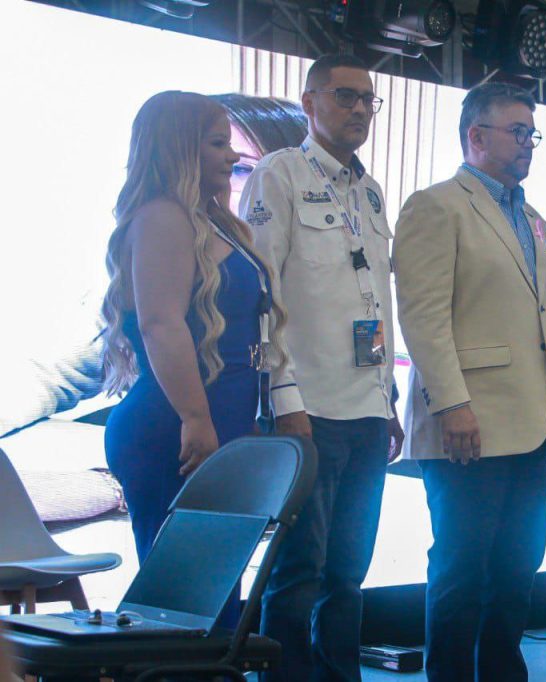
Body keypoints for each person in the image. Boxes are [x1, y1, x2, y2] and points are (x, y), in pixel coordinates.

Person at [393, 82, 546, 682]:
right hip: (468, 420)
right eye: (517, 131)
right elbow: (423, 316)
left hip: (532, 422)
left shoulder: (531, 217)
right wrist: (451, 404)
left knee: (518, 566)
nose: (528, 143)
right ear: (476, 136)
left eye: (532, 133)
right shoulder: (436, 205)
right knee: (462, 569)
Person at [240, 54, 404, 682]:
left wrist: (388, 399)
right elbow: (262, 295)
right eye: (344, 96)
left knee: (348, 573)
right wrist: (283, 398)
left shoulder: (371, 191)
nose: (360, 109)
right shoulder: (278, 174)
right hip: (308, 408)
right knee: (299, 571)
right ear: (309, 103)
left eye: (368, 99)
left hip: (367, 410)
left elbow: (375, 300)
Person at [102, 91, 284, 569]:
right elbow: (161, 324)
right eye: (217, 144)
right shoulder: (163, 216)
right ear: (180, 149)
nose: (233, 156)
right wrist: (196, 418)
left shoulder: (211, 222)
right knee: (184, 591)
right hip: (174, 428)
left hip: (214, 423)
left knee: (214, 587)